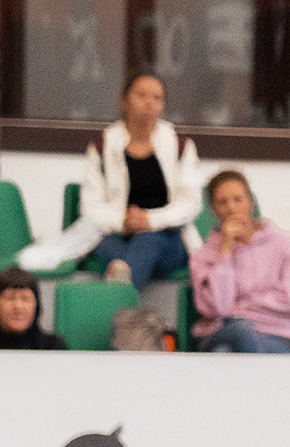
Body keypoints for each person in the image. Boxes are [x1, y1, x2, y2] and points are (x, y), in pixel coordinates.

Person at [82, 73, 205, 289]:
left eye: (157, 98)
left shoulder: (180, 144)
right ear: (124, 101)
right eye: (142, 95)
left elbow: (191, 203)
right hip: (116, 235)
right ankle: (124, 294)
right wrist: (123, 222)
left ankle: (116, 300)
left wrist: (150, 220)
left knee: (148, 241)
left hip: (168, 238)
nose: (150, 103)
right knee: (111, 249)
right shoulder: (103, 145)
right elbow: (90, 207)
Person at [188, 169, 290, 353]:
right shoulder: (203, 256)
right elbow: (218, 308)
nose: (232, 208)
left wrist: (239, 309)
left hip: (277, 336)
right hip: (222, 333)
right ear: (213, 209)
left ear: (250, 201)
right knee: (240, 332)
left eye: (238, 199)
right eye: (222, 202)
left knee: (227, 352)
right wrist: (225, 251)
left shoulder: (284, 244)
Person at [0, 265, 67, 350]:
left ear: (37, 306)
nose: (18, 306)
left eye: (25, 299)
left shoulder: (52, 347)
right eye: (10, 298)